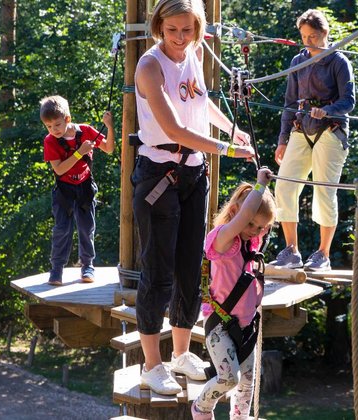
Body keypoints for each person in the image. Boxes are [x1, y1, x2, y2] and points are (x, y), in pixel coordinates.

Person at [132, 0, 256, 396]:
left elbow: (200, 103)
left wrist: (231, 131)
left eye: (188, 30)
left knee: (190, 266)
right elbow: (173, 126)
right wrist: (227, 150)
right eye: (172, 31)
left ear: (198, 30)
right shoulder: (150, 66)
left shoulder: (195, 53)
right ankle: (152, 364)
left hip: (194, 172)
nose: (180, 38)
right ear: (159, 27)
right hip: (159, 173)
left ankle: (181, 353)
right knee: (158, 270)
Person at [272, 9, 356, 272]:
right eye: (304, 36)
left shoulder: (339, 62)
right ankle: (292, 251)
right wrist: (283, 139)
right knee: (284, 186)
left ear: (326, 34)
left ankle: (323, 254)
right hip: (301, 128)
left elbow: (349, 101)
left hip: (330, 130)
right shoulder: (298, 61)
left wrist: (327, 110)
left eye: (314, 36)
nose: (309, 42)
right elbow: (289, 103)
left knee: (323, 191)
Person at [190, 168, 274, 420]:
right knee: (229, 378)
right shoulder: (222, 239)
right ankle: (201, 407)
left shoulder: (252, 245)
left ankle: (240, 418)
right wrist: (260, 186)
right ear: (237, 213)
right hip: (220, 324)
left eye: (261, 227)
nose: (254, 230)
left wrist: (268, 191)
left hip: (246, 324)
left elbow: (258, 219)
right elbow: (245, 215)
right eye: (250, 224)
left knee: (248, 381)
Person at [40, 95, 115, 286]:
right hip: (64, 190)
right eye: (48, 126)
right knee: (62, 230)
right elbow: (59, 169)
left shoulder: (86, 132)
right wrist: (78, 153)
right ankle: (56, 269)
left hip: (84, 187)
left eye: (56, 125)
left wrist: (110, 126)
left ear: (67, 119)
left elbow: (108, 148)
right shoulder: (50, 141)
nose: (53, 130)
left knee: (86, 228)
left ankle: (87, 266)